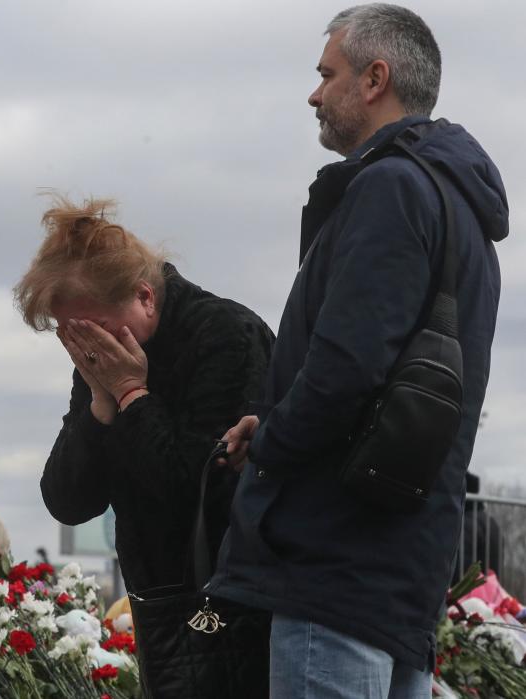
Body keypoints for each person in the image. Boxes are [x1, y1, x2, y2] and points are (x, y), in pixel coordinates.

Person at [207, 5, 508, 698]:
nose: (314, 93)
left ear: (375, 78)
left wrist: (272, 442)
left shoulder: (391, 187)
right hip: (401, 559)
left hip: (335, 556)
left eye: (326, 74)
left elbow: (346, 368)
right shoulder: (462, 210)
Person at [15, 195, 274, 694]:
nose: (89, 348)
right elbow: (67, 501)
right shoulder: (104, 357)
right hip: (160, 603)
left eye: (96, 329)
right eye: (71, 336)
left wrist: (134, 395)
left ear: (145, 296)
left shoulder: (226, 336)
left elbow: (194, 489)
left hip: (237, 608)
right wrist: (99, 405)